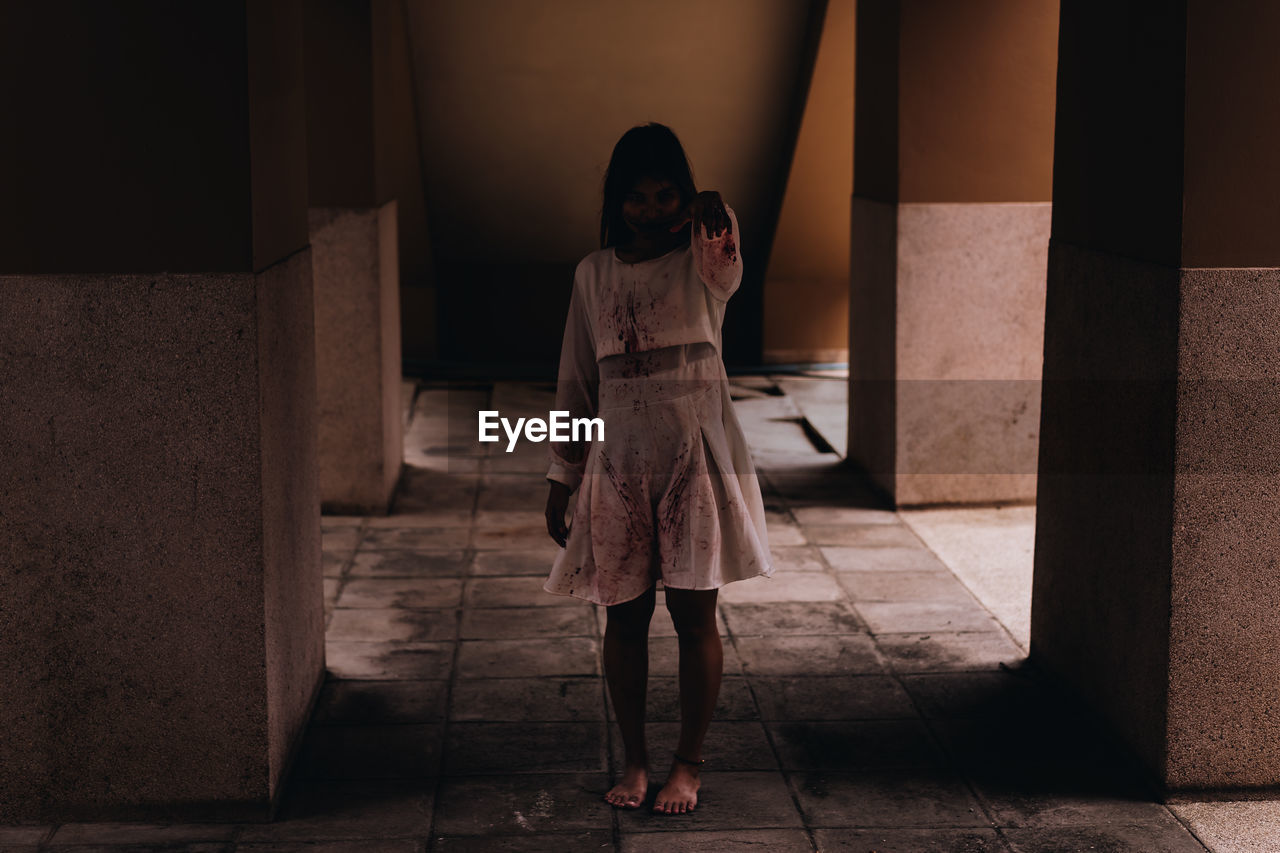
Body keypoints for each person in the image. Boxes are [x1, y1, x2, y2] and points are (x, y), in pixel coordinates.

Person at [543, 123, 772, 814]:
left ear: (683, 196)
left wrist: (713, 207)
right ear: (616, 200)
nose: (649, 209)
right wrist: (563, 473)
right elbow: (577, 382)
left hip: (692, 458)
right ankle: (637, 759)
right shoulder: (593, 274)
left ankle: (688, 765)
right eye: (636, 197)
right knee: (624, 616)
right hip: (617, 462)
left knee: (694, 612)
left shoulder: (705, 262)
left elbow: (727, 245)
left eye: (664, 193)